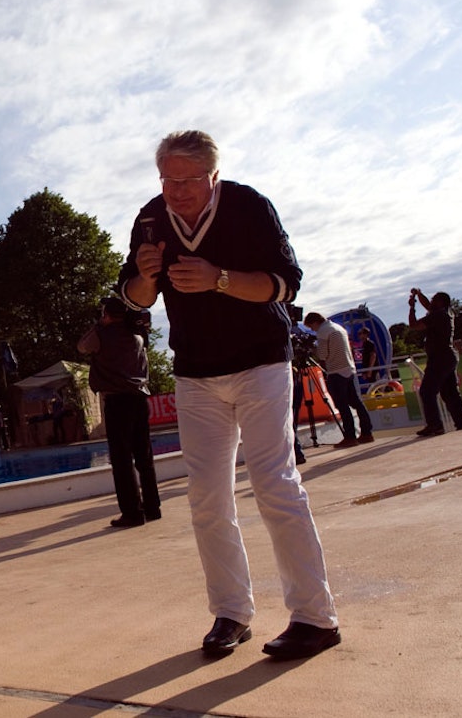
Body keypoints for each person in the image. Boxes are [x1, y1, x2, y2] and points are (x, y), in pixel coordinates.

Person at [118, 129, 339, 660]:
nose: (176, 191)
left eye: (188, 181)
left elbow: (287, 283)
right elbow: (132, 300)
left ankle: (315, 617)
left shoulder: (248, 205)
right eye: (168, 180)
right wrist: (147, 278)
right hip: (195, 374)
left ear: (212, 175)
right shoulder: (150, 219)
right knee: (206, 498)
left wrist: (219, 279)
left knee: (275, 485)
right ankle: (231, 612)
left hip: (261, 362)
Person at [77, 296, 161, 528]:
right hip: (139, 397)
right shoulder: (138, 335)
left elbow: (82, 346)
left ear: (107, 314)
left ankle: (132, 512)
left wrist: (98, 324)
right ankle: (153, 507)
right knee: (144, 456)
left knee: (122, 459)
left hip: (117, 401)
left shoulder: (102, 334)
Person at [303, 313, 374, 448]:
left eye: (311, 326)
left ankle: (350, 436)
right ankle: (367, 432)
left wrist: (313, 348)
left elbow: (323, 355)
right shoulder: (338, 328)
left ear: (315, 322)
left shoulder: (323, 331)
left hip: (336, 371)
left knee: (342, 405)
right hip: (349, 369)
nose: (312, 330)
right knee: (357, 403)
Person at [407, 288, 462, 436]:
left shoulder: (437, 316)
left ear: (440, 301)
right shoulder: (447, 313)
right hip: (449, 357)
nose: (432, 301)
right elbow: (428, 305)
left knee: (427, 391)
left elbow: (414, 325)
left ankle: (435, 425)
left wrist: (412, 307)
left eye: (434, 299)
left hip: (439, 358)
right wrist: (418, 295)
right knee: (450, 394)